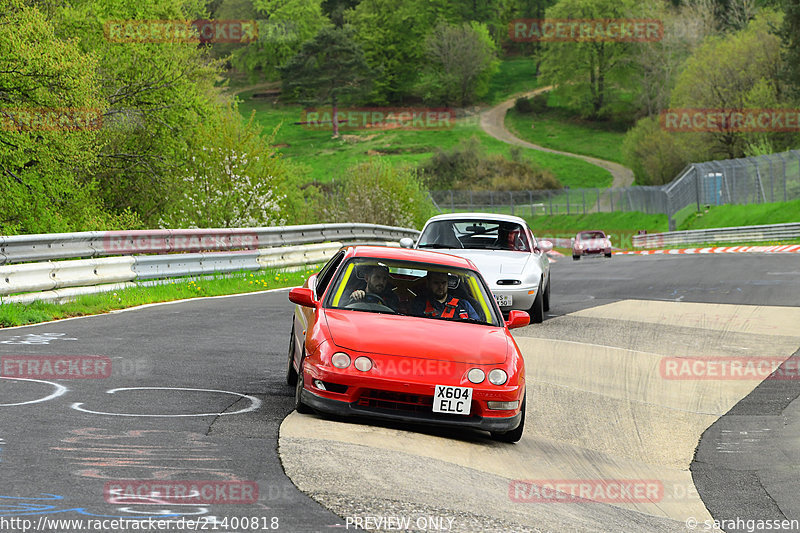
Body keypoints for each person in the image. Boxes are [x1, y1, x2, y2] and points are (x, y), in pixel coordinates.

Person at [411, 271, 479, 320]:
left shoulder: (464, 305)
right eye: (436, 283)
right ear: (428, 283)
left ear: (448, 283)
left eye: (443, 283)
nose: (441, 287)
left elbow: (477, 326)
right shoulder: (419, 304)